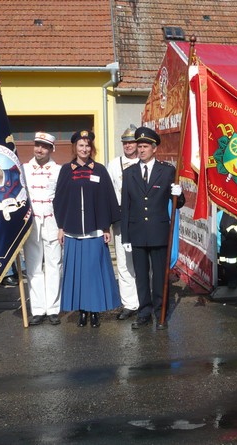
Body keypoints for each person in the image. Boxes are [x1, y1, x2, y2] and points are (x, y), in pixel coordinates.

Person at [53, 130, 120, 328]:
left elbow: (107, 199)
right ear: (75, 148)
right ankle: (81, 311)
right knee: (77, 272)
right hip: (73, 231)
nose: (84, 149)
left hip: (94, 230)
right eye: (81, 145)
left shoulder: (99, 169)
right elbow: (60, 200)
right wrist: (61, 227)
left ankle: (94, 311)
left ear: (92, 148)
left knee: (93, 272)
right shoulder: (66, 170)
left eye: (87, 145)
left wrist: (105, 227)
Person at [120, 127, 185, 330]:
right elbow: (126, 206)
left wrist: (178, 193)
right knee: (141, 276)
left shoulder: (166, 171)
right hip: (137, 232)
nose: (141, 150)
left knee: (159, 275)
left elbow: (179, 203)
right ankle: (144, 312)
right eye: (139, 146)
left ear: (154, 148)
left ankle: (160, 312)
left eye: (145, 146)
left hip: (158, 232)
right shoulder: (129, 173)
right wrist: (125, 237)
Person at [23, 132, 63, 326]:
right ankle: (38, 309)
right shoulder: (23, 169)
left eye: (44, 146)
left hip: (52, 223)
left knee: (54, 265)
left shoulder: (58, 170)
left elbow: (63, 199)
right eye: (37, 145)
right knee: (33, 267)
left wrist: (63, 226)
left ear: (51, 149)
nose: (39, 149)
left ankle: (53, 308)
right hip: (30, 224)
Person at [107, 125, 140, 320]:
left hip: (142, 219)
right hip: (121, 219)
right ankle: (129, 303)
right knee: (124, 262)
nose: (128, 146)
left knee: (144, 262)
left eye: (132, 142)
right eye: (125, 143)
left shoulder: (146, 162)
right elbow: (109, 193)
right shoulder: (113, 164)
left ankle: (145, 299)